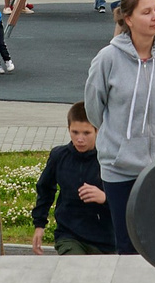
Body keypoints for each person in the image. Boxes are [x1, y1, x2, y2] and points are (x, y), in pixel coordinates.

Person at [81, 0, 155, 259]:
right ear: (128, 19)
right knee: (128, 246)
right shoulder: (108, 58)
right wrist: (117, 141)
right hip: (120, 168)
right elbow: (94, 108)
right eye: (147, 12)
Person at [29, 104, 114, 255]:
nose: (80, 139)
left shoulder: (109, 159)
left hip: (105, 238)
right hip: (69, 234)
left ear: (97, 131)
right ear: (68, 129)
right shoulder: (59, 156)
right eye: (75, 132)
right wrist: (39, 225)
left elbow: (127, 197)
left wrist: (104, 198)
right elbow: (45, 189)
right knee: (75, 271)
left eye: (86, 133)